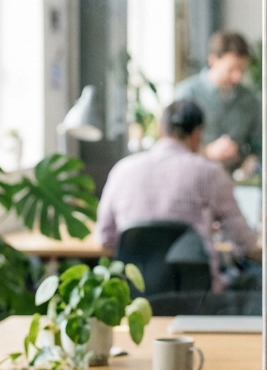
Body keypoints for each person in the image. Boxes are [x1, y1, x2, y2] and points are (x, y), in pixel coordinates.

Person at [95, 100, 256, 289]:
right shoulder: (211, 173)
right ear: (197, 134)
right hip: (195, 297)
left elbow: (105, 236)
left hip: (135, 295)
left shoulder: (122, 170)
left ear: (160, 130)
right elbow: (244, 240)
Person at [173, 30, 262, 172]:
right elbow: (173, 148)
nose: (237, 77)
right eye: (231, 69)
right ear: (213, 60)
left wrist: (250, 162)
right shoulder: (186, 94)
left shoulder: (250, 100)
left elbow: (259, 149)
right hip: (193, 180)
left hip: (236, 184)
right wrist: (207, 152)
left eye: (242, 70)